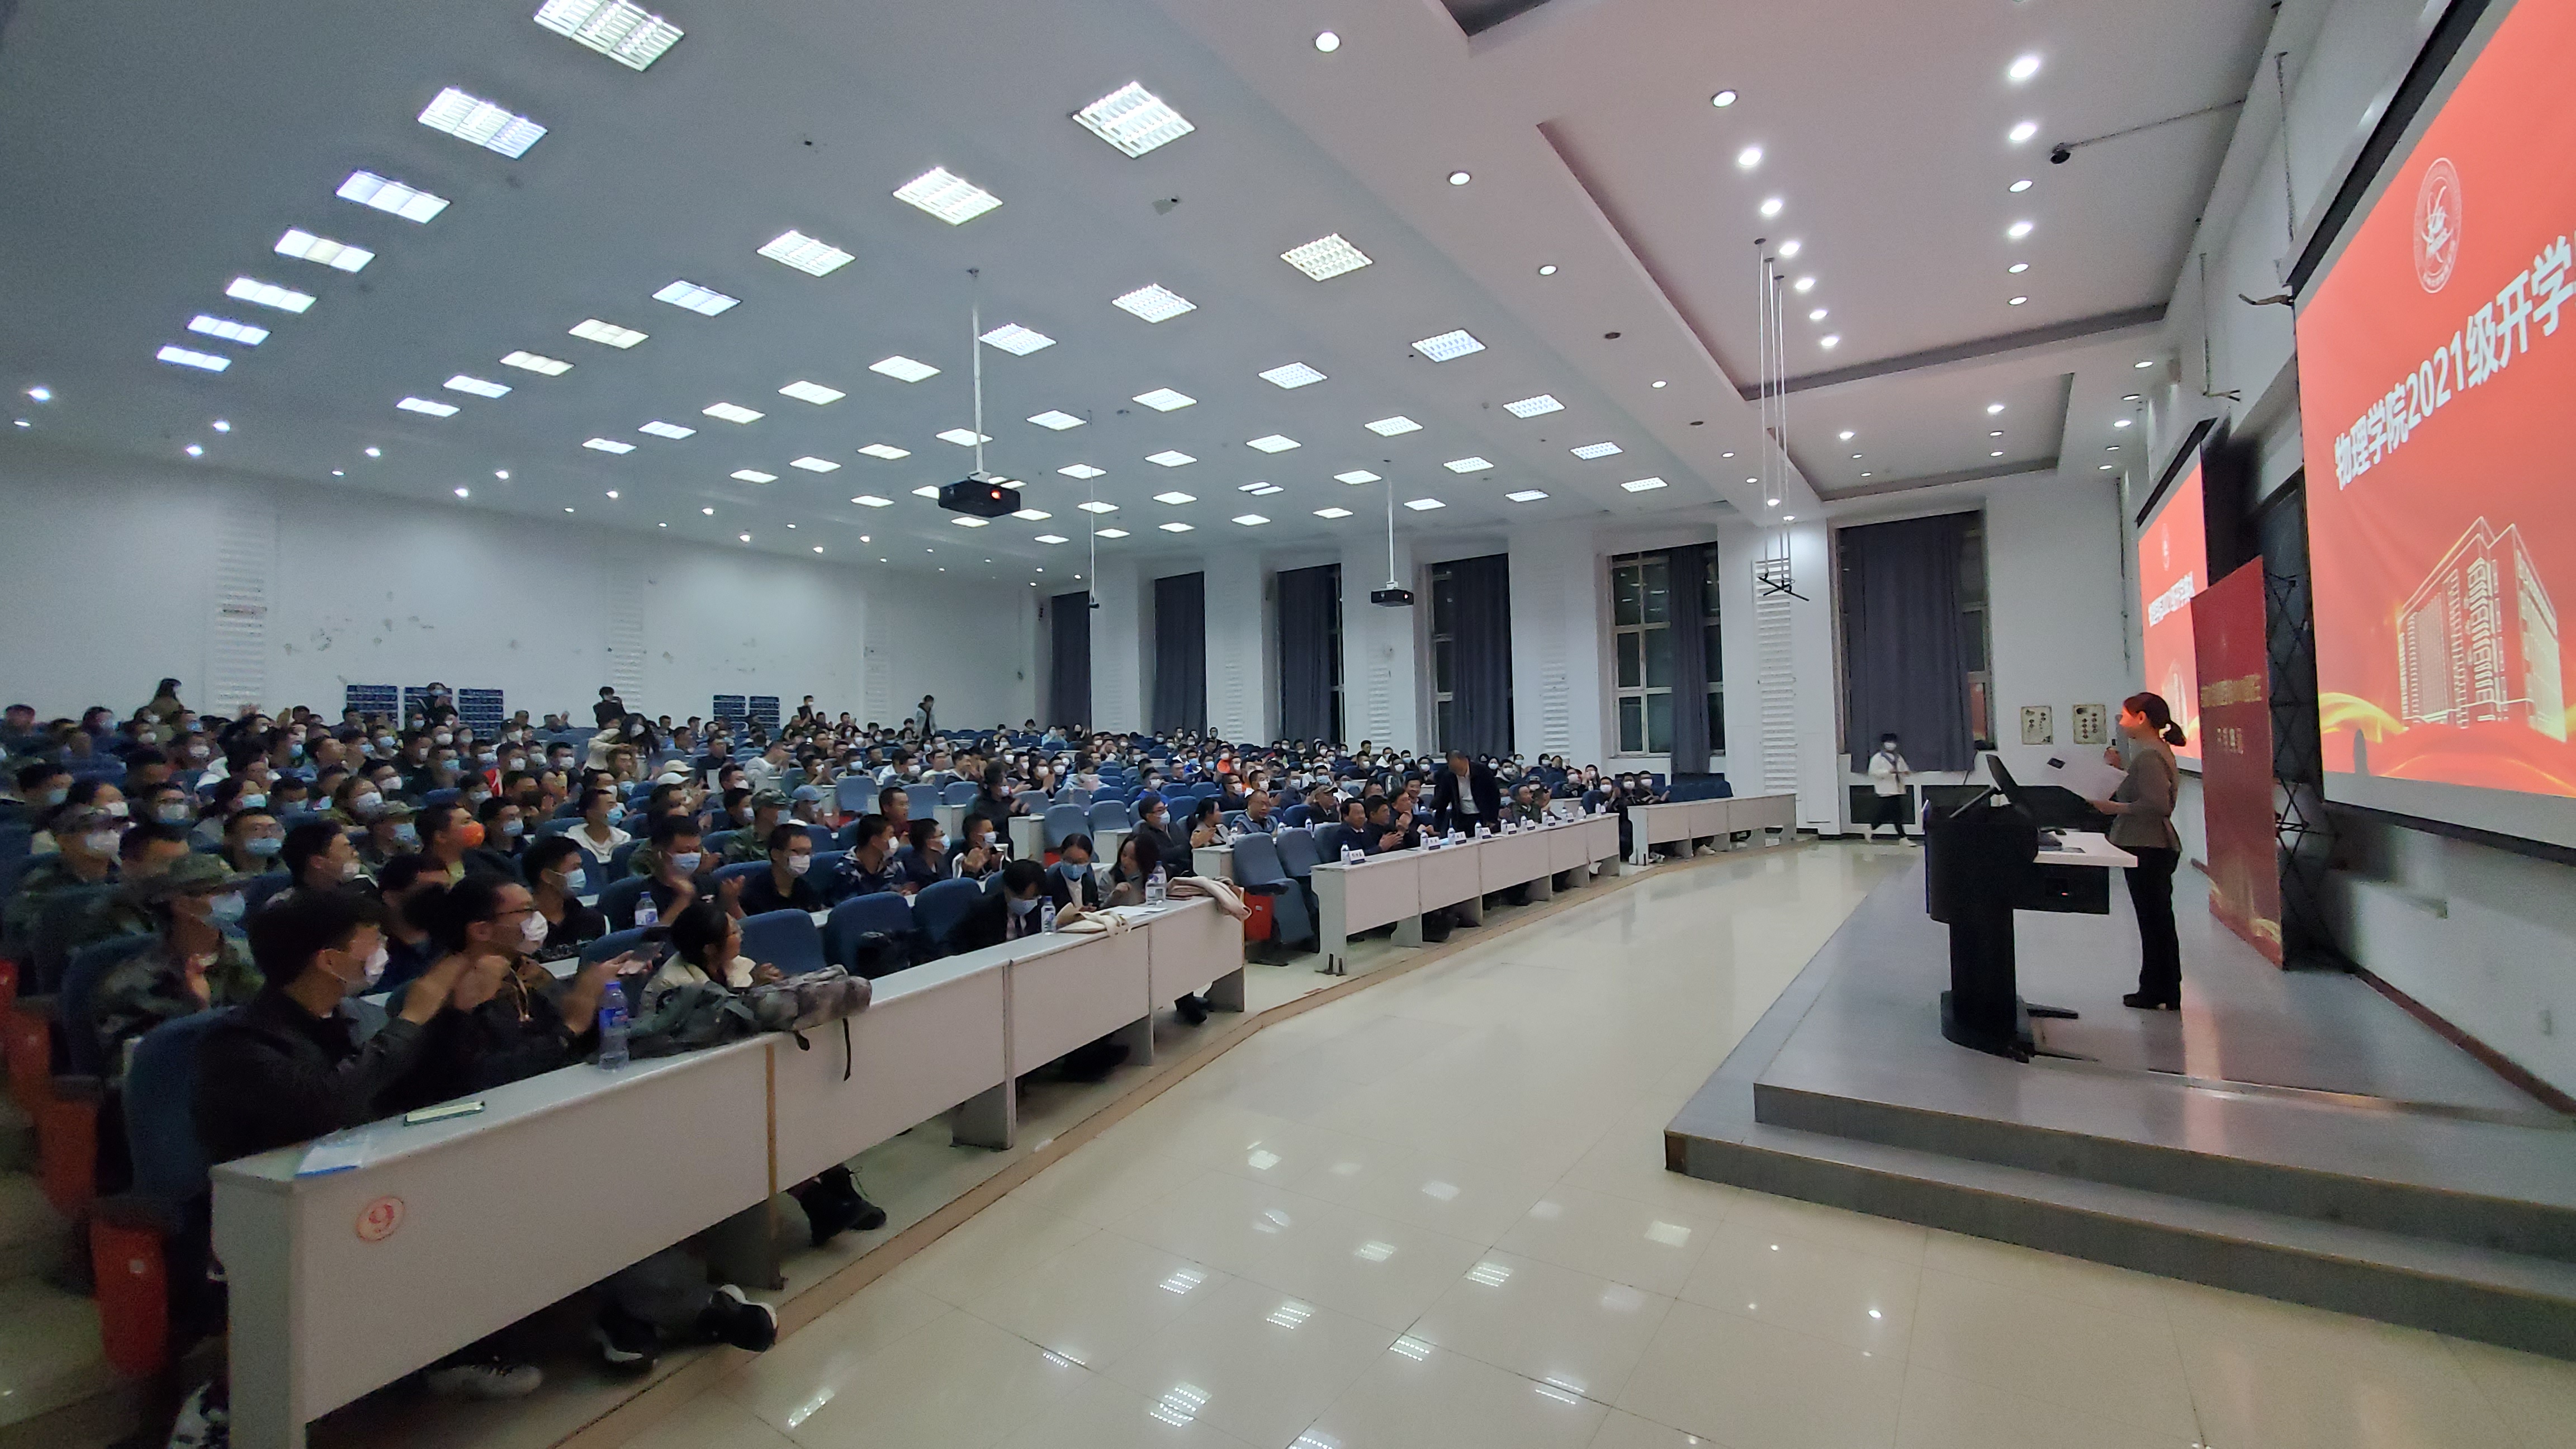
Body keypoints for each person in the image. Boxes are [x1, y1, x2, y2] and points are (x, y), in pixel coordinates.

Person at [646, 902, 886, 1246]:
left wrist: (773, 985)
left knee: (798, 1105)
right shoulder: (672, 982)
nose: (741, 934)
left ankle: (840, 1188)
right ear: (710, 948)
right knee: (764, 1124)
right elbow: (703, 1028)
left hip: (742, 1072)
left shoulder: (735, 965)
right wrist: (750, 992)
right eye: (733, 932)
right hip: (689, 1085)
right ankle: (816, 1203)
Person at [89, 855, 263, 1079]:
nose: (234, 899)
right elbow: (135, 1075)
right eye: (220, 892)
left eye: (235, 890)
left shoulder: (258, 959)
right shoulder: (131, 983)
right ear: (182, 904)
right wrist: (197, 1011)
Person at [2089, 693, 2187, 1012]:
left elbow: (2157, 805)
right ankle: (2159, 988)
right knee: (2155, 920)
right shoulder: (2150, 753)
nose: (2122, 722)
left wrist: (2112, 808)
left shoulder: (2149, 756)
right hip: (2149, 843)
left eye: (2126, 715)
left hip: (2150, 845)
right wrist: (2116, 770)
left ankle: (2159, 989)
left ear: (2142, 718)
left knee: (2154, 921)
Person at [522, 836, 607, 959]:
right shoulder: (520, 928)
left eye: (580, 868)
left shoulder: (594, 920)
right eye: (575, 868)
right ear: (547, 876)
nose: (581, 874)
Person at [737, 825, 823, 916]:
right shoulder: (752, 894)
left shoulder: (807, 889)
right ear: (775, 854)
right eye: (796, 852)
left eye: (808, 853)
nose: (804, 858)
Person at [828, 814, 906, 900]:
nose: (894, 841)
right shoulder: (844, 871)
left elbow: (900, 891)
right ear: (874, 841)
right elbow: (844, 905)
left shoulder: (894, 865)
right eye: (890, 836)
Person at [1429, 749, 1500, 836]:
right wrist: (1437, 827)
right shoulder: (1448, 776)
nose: (1459, 773)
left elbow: (1494, 795)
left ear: (1466, 761)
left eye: (1460, 769)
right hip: (1462, 818)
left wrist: (1493, 819)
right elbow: (1443, 802)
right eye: (1455, 770)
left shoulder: (1482, 771)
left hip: (1483, 816)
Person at [1863, 732, 1914, 842]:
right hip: (1886, 788)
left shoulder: (1898, 757)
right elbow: (1873, 772)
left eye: (1893, 742)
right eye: (1889, 742)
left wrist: (1906, 772)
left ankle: (1871, 828)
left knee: (1891, 814)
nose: (1892, 745)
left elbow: (1904, 768)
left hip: (1897, 788)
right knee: (1894, 814)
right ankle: (1902, 837)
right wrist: (1888, 772)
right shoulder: (1878, 758)